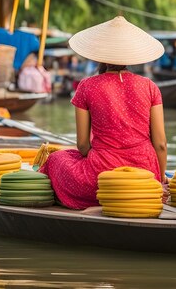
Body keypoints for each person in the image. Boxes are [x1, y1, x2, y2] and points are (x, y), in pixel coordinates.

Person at [40, 16, 167, 210]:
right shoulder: (150, 87)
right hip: (146, 177)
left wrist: (104, 155)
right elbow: (160, 144)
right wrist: (160, 178)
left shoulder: (87, 86)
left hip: (102, 179)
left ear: (99, 53)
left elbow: (82, 145)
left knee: (56, 159)